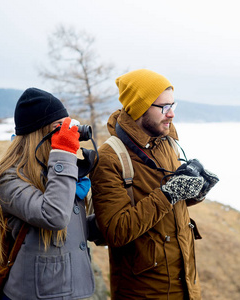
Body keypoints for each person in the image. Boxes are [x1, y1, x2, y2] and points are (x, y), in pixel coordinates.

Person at [90, 69, 218, 299]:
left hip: (186, 287)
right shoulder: (110, 157)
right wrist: (169, 194)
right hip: (144, 292)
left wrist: (197, 192)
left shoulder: (166, 143)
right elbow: (116, 231)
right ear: (139, 109)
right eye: (163, 107)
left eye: (173, 106)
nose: (171, 115)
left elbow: (168, 207)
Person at [0, 88, 96, 300]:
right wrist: (64, 153)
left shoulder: (56, 171)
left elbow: (73, 228)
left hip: (72, 289)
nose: (68, 133)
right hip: (35, 294)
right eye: (60, 128)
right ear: (40, 134)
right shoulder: (9, 178)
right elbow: (54, 216)